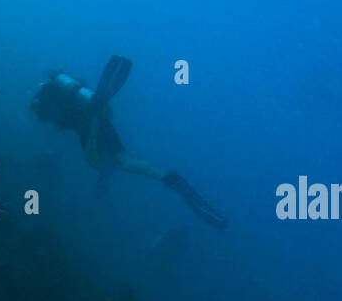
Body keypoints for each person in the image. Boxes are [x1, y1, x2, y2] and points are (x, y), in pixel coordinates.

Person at [31, 56, 228, 229]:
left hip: (88, 122)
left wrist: (85, 119)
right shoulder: (69, 88)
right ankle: (168, 178)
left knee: (96, 163)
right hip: (101, 118)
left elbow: (59, 124)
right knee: (124, 160)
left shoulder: (46, 100)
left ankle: (97, 116)